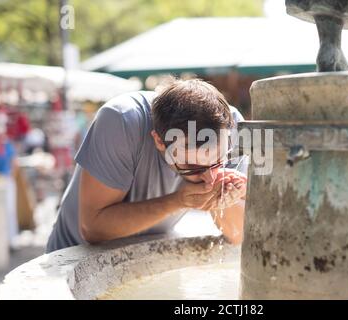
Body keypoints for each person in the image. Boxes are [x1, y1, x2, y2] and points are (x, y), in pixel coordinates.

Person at [46, 79, 247, 252]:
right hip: (73, 259)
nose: (210, 177)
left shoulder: (232, 127)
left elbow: (238, 236)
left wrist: (225, 197)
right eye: (192, 165)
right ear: (159, 141)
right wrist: (177, 201)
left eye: (218, 161)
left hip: (147, 258)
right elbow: (92, 228)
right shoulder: (120, 120)